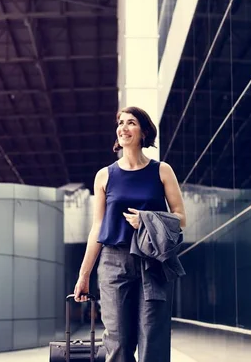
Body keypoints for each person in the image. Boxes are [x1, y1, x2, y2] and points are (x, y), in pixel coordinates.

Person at [73, 106, 187, 362]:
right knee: (118, 342)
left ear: (144, 131)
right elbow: (97, 229)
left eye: (131, 122)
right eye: (121, 123)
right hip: (114, 263)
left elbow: (181, 218)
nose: (123, 128)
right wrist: (84, 275)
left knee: (153, 338)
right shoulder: (105, 176)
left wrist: (146, 221)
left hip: (154, 262)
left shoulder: (162, 170)